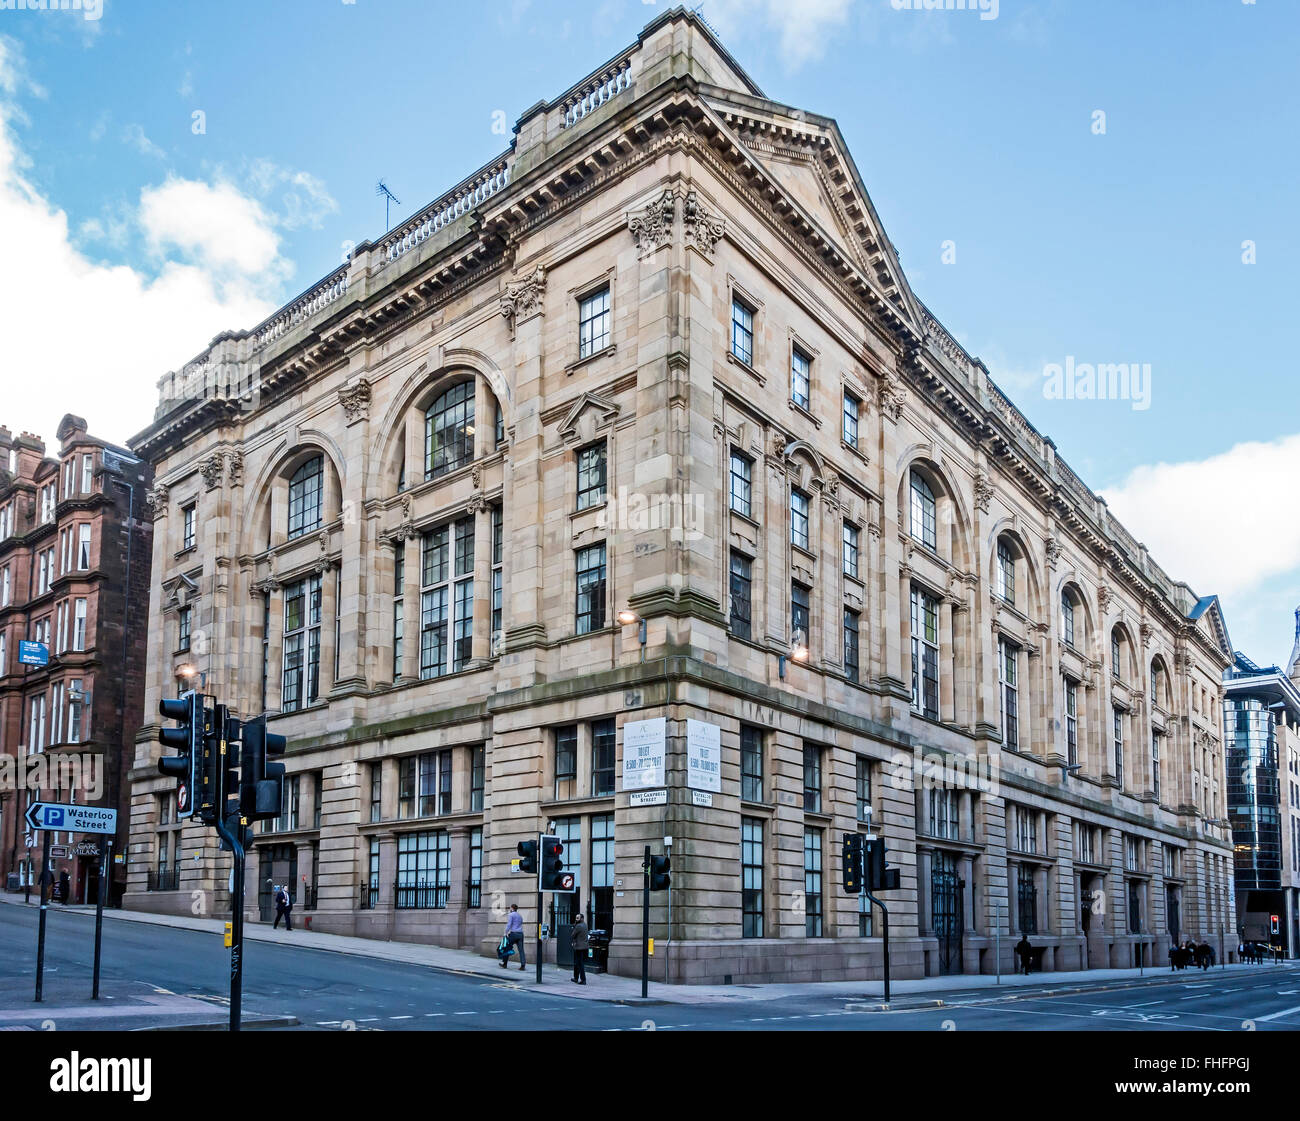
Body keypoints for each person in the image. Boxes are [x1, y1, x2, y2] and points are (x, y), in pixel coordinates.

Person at [501, 903, 526, 970]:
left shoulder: (511, 915)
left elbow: (509, 924)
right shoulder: (520, 916)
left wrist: (505, 932)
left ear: (512, 908)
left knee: (507, 948)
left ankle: (505, 964)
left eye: (510, 908)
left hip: (514, 934)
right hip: (520, 934)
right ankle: (523, 965)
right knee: (521, 950)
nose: (509, 909)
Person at [570, 912, 589, 985]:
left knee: (579, 964)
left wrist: (574, 926)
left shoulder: (578, 926)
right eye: (576, 918)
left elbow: (572, 935)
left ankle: (583, 980)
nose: (576, 919)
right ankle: (576, 978)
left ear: (581, 918)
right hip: (584, 947)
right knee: (578, 963)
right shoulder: (585, 925)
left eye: (577, 918)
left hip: (578, 947)